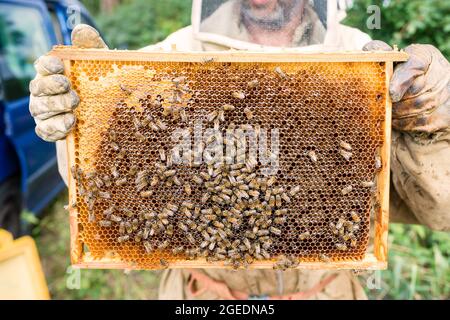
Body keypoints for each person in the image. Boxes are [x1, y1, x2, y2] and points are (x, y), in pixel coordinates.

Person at [29, 0, 450, 300]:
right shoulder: (170, 56)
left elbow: (441, 209)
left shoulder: (364, 60)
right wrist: (86, 114)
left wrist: (433, 126)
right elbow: (107, 187)